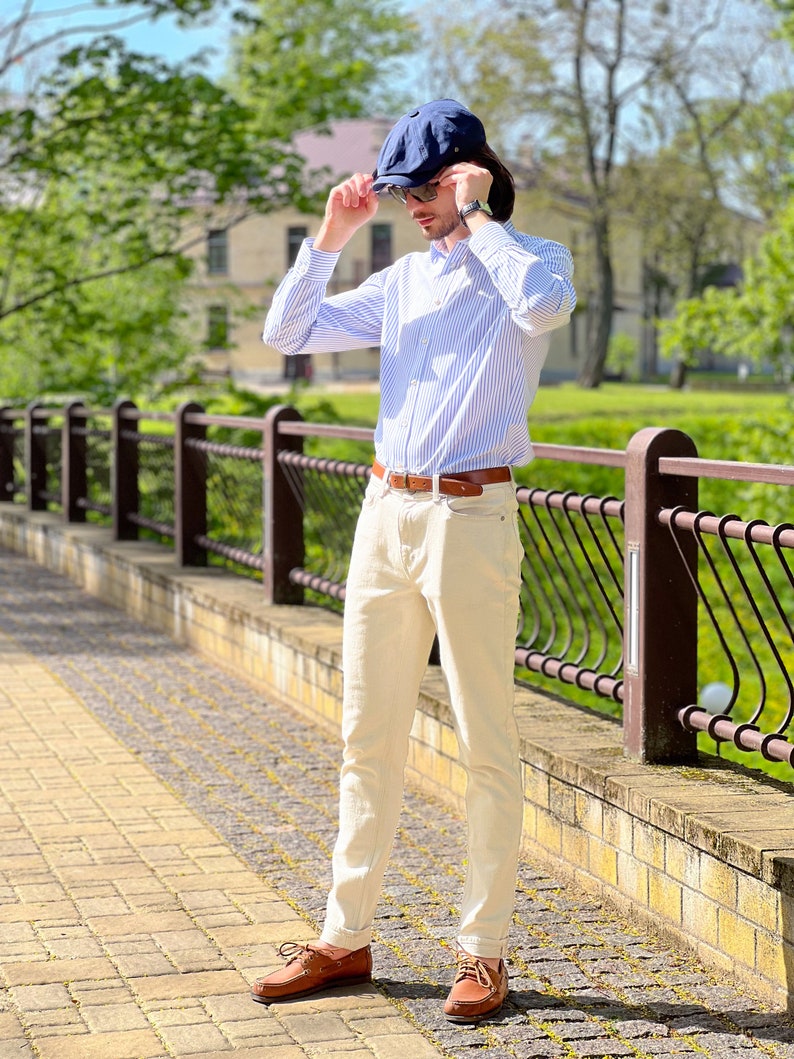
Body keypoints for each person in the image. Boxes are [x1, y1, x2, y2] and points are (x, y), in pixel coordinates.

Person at [252, 99, 576, 1024]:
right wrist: (331, 232)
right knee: (366, 734)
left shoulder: (531, 262)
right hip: (385, 512)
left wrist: (481, 217)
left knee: (486, 742)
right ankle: (343, 935)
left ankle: (483, 950)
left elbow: (545, 307)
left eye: (428, 187)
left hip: (472, 518)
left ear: (470, 174)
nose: (416, 204)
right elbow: (288, 332)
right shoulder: (399, 282)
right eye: (407, 191)